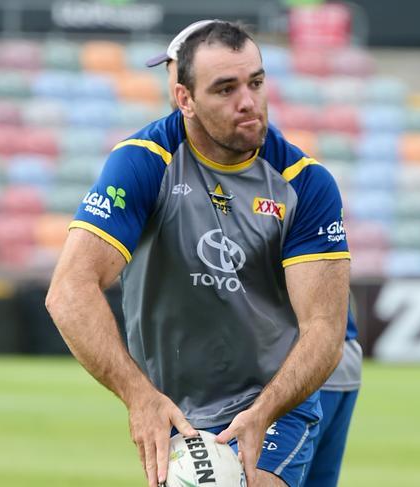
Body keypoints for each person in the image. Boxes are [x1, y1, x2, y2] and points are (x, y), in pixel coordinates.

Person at [46, 21, 350, 487]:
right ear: (183, 98)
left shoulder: (305, 183)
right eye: (225, 89)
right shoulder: (143, 162)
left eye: (256, 82)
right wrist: (139, 397)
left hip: (270, 399)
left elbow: (325, 328)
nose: (247, 101)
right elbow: (68, 290)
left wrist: (264, 411)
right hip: (176, 407)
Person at [147, 20, 362, 487]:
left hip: (319, 360)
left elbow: (318, 327)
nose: (168, 84)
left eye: (252, 83)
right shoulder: (161, 155)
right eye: (167, 72)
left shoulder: (288, 173)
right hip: (246, 372)